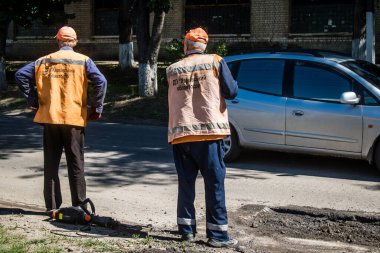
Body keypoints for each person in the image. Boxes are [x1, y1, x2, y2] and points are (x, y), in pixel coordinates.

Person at [15, 26, 107, 211]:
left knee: (51, 164)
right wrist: (96, 107)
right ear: (74, 42)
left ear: (58, 41)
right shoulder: (84, 61)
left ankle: (52, 207)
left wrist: (33, 99)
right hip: (73, 119)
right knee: (76, 163)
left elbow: (20, 75)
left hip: (50, 118)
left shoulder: (43, 61)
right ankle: (79, 207)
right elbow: (101, 81)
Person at [166, 27, 238, 248]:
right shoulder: (215, 62)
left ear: (186, 45)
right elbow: (232, 91)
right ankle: (217, 235)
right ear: (204, 45)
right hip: (209, 135)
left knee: (186, 184)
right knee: (214, 184)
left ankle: (186, 231)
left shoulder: (172, 69)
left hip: (181, 135)